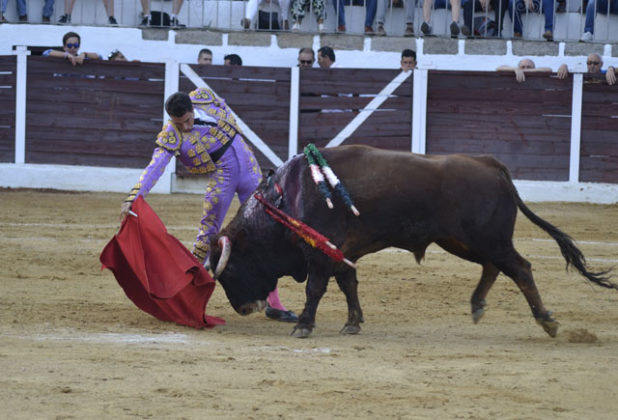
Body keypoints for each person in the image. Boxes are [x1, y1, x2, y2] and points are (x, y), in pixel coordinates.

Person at [120, 89, 299, 323]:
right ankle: (186, 300)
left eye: (186, 120)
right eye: (178, 123)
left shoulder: (204, 96)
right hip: (223, 175)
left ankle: (274, 304)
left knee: (266, 232)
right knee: (207, 236)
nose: (184, 127)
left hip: (248, 165)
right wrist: (134, 196)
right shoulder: (171, 134)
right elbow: (155, 167)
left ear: (192, 110)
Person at [497, 58, 567, 83]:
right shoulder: (516, 70)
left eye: (529, 67)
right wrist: (515, 69)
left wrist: (564, 65)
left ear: (534, 68)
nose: (526, 69)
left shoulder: (537, 73)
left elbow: (549, 69)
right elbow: (499, 68)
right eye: (523, 67)